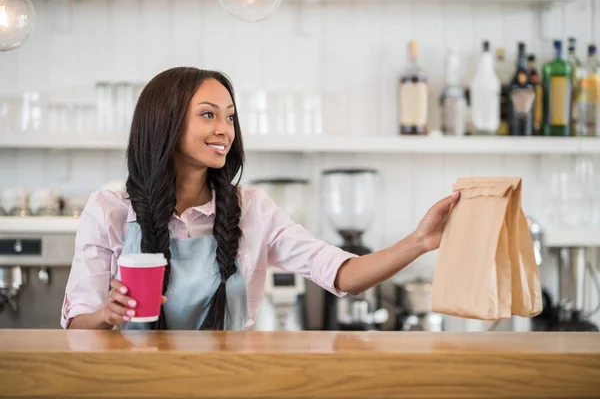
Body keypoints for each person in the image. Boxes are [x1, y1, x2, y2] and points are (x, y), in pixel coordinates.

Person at [61, 67, 460, 331]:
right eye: (208, 114)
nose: (224, 129)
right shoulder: (111, 209)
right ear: (164, 121)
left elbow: (340, 273)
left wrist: (419, 242)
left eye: (230, 116)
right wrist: (105, 315)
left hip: (228, 382)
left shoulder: (252, 209)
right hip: (134, 385)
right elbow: (77, 323)